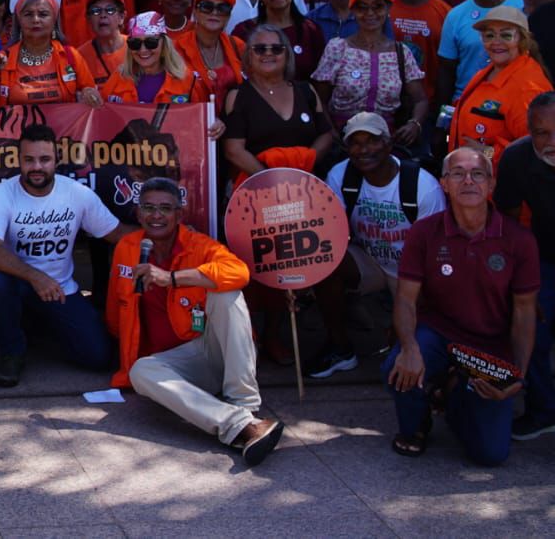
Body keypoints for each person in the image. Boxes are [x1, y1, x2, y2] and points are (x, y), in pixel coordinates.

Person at [108, 178, 284, 467]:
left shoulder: (199, 245)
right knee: (140, 371)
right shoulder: (127, 248)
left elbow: (239, 273)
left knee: (226, 293)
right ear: (138, 214)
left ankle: (244, 404)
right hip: (174, 365)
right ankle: (241, 425)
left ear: (180, 214)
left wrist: (172, 279)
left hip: (214, 351)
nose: (156, 215)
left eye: (165, 208)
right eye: (149, 208)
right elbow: (116, 308)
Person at [385, 147, 539, 465]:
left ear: (491, 185)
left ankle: (452, 392)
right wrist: (409, 347)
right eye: (458, 173)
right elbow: (405, 298)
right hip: (439, 334)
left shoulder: (519, 240)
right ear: (444, 183)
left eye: (478, 174)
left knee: (490, 455)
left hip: (490, 344)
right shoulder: (424, 232)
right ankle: (418, 424)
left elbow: (525, 312)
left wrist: (518, 377)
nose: (468, 181)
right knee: (397, 367)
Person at [0, 124, 123, 387]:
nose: (36, 167)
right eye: (29, 160)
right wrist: (35, 277)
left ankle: (39, 324)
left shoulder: (76, 193)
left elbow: (116, 233)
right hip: (19, 283)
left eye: (44, 159)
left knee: (98, 357)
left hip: (60, 288)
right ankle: (12, 352)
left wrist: (171, 234)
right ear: (18, 161)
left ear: (57, 160)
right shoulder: (2, 194)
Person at [308, 113, 446, 379]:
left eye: (372, 141)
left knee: (406, 358)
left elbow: (436, 253)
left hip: (413, 272)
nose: (363, 150)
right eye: (355, 143)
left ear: (388, 144)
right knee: (323, 259)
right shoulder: (341, 174)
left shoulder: (422, 186)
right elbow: (327, 230)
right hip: (370, 259)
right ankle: (341, 347)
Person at [492, 93, 555, 439]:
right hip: (543, 255)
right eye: (542, 133)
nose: (551, 142)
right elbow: (509, 221)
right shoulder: (517, 157)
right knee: (532, 330)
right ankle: (543, 410)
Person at [310, 0, 428, 141]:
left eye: (377, 6)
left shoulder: (401, 52)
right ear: (352, 10)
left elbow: (420, 99)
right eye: (362, 7)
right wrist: (331, 132)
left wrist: (414, 124)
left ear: (388, 9)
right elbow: (319, 99)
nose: (370, 13)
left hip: (386, 139)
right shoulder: (337, 48)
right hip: (343, 137)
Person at [223, 23, 335, 183]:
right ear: (249, 55)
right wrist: (273, 181)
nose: (268, 53)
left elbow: (326, 134)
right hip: (258, 189)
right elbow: (233, 150)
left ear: (287, 54)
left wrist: (304, 166)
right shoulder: (238, 95)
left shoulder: (306, 90)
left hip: (305, 185)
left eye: (276, 49)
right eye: (260, 49)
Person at [448, 6, 552, 164]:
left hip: (504, 184)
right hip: (472, 177)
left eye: (506, 35)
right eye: (489, 35)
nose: (496, 42)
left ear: (522, 40)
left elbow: (536, 150)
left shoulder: (527, 87)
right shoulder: (488, 71)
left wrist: (488, 153)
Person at [0, 0, 102, 107]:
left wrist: (89, 94)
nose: (35, 20)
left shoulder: (71, 56)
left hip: (63, 126)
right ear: (19, 21)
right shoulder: (2, 59)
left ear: (54, 21)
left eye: (43, 14)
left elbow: (91, 95)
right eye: (28, 14)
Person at [437, 0, 522, 105]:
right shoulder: (455, 15)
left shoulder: (523, 7)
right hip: (467, 100)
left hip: (513, 99)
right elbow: (446, 69)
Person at [105, 11, 210, 104]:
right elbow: (99, 115)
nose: (143, 50)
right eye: (135, 43)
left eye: (151, 42)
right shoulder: (118, 77)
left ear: (164, 44)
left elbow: (201, 118)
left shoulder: (187, 80)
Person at [78, 0, 127, 86]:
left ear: (121, 17)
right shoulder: (79, 57)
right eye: (96, 11)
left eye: (110, 10)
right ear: (88, 19)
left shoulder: (137, 47)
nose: (103, 15)